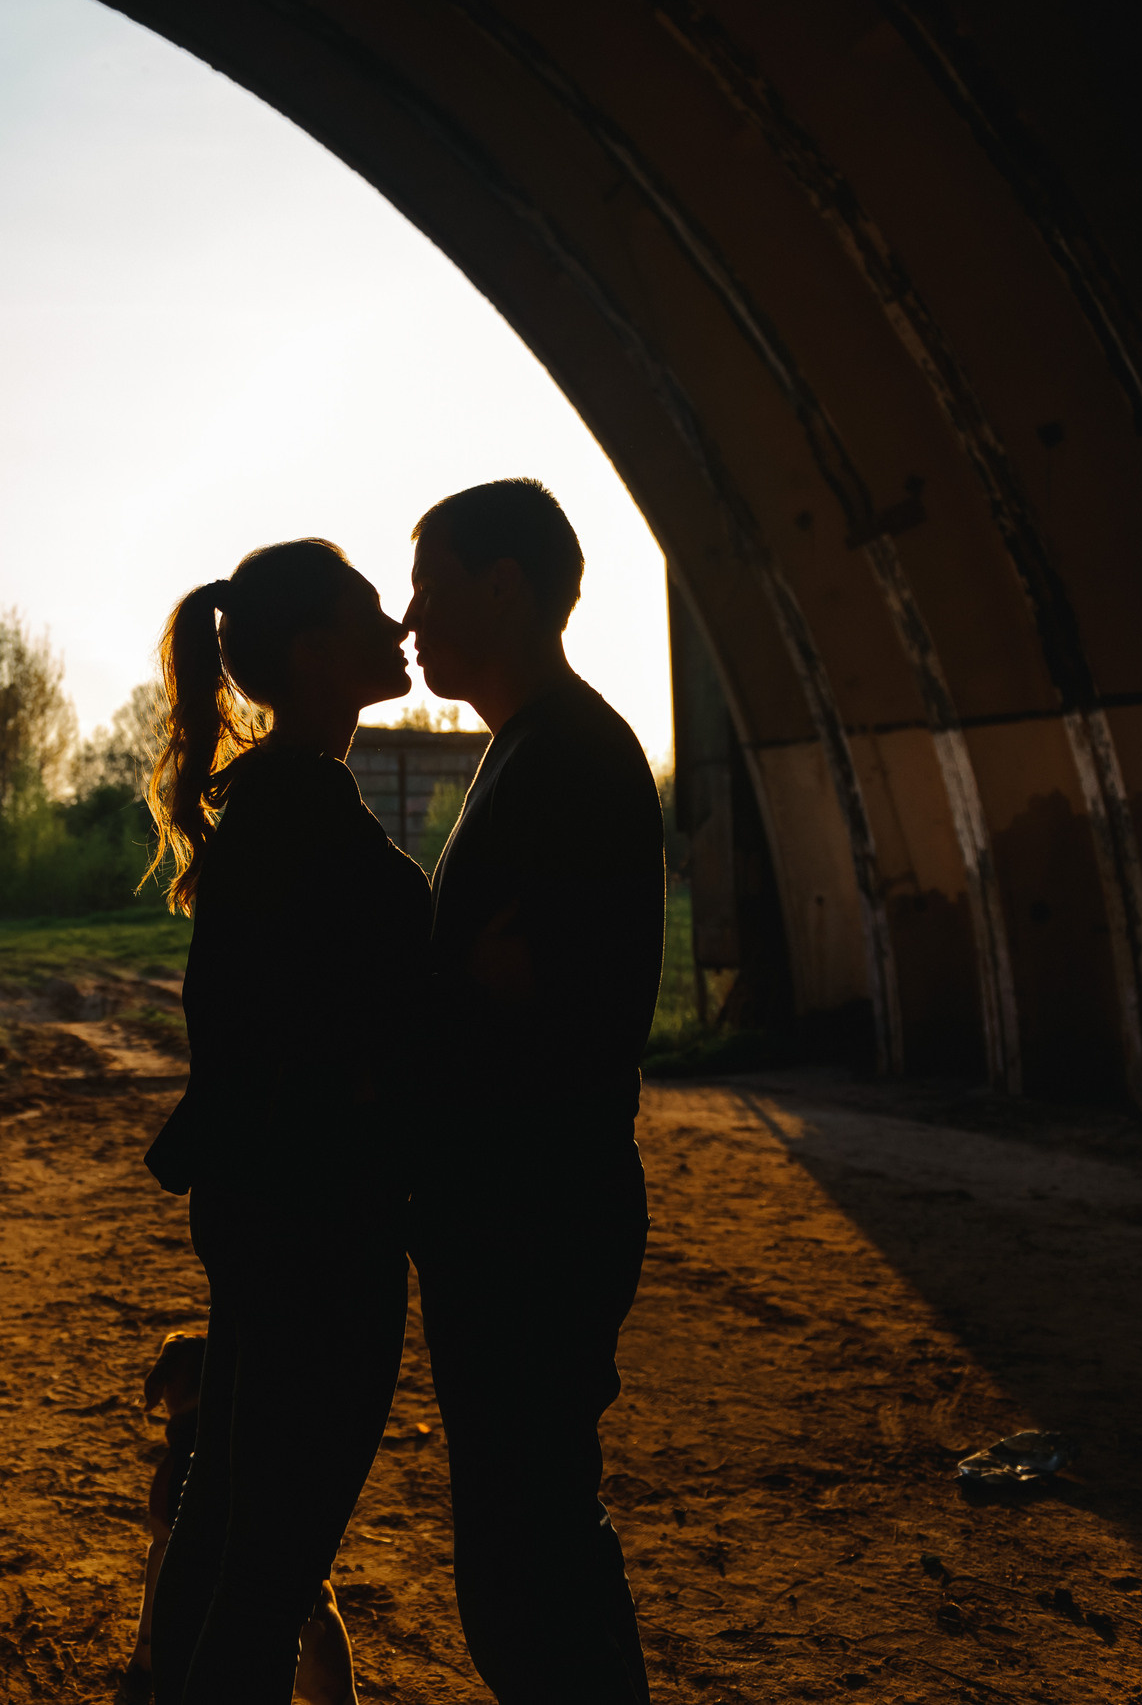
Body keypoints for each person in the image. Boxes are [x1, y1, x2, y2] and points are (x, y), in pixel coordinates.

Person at [134, 539, 432, 1705]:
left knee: (227, 1522)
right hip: (323, 1227)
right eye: (369, 611)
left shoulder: (275, 809)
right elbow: (338, 1042)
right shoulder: (311, 826)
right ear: (314, 654)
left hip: (266, 1215)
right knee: (271, 1563)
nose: (399, 627)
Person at [401, 479, 665, 1703]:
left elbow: (570, 1002)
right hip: (513, 1211)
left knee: (528, 1547)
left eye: (431, 588)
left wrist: (470, 980)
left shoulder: (570, 755)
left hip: (532, 1218)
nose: (410, 622)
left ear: (503, 587)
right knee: (529, 1529)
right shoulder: (533, 745)